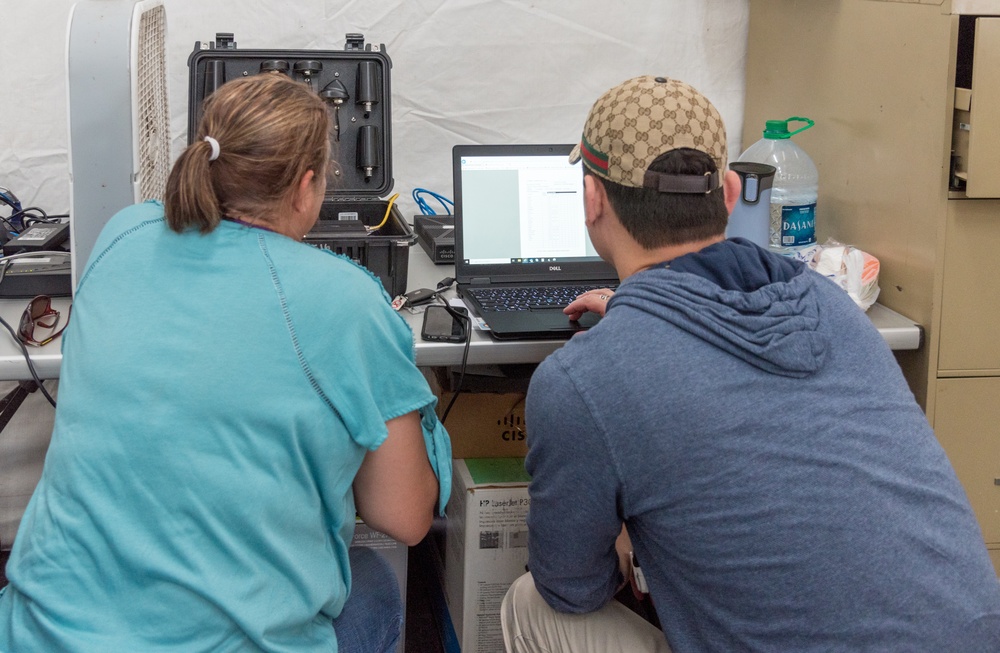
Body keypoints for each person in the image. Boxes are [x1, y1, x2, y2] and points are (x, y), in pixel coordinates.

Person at [501, 75, 1000, 652]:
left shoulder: (581, 381)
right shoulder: (834, 309)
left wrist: (626, 540)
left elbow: (571, 587)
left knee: (531, 603)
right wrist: (638, 320)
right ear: (732, 193)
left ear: (591, 200)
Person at [0, 72, 451, 652]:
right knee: (373, 584)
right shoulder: (345, 301)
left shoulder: (121, 234)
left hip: (40, 632)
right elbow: (407, 517)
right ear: (306, 187)